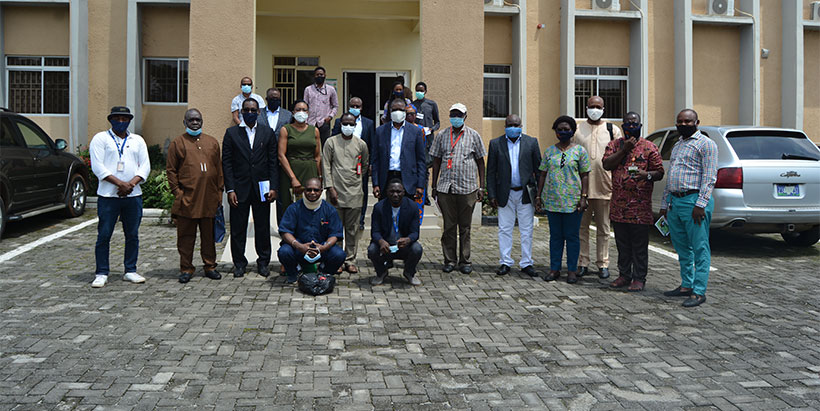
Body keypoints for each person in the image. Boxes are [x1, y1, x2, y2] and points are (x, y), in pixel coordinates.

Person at [660, 109, 717, 308]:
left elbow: (709, 177)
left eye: (688, 121)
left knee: (700, 247)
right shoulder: (678, 145)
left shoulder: (706, 144)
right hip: (675, 202)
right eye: (680, 121)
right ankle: (686, 285)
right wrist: (664, 204)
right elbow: (671, 176)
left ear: (697, 122)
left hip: (694, 202)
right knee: (682, 247)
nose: (683, 124)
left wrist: (700, 204)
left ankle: (699, 291)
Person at [89, 106, 151, 288]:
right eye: (117, 118)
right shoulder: (100, 138)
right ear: (111, 120)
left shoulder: (137, 140)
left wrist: (130, 184)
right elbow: (98, 167)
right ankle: (101, 272)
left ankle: (130, 270)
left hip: (133, 195)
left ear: (130, 121)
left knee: (132, 234)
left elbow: (145, 166)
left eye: (125, 119)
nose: (121, 122)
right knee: (104, 234)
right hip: (108, 196)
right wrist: (120, 184)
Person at [602, 111, 664, 292]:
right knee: (622, 245)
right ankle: (624, 275)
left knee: (639, 246)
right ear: (622, 126)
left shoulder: (649, 147)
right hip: (619, 206)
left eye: (634, 123)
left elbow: (659, 172)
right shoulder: (614, 145)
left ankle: (639, 278)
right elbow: (606, 164)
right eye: (627, 123)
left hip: (640, 207)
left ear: (640, 126)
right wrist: (624, 150)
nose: (631, 126)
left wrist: (647, 175)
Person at [222, 98, 279, 278]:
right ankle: (239, 264)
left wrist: (274, 187)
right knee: (238, 228)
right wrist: (230, 189)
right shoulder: (231, 133)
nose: (250, 113)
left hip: (262, 188)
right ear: (241, 112)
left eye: (253, 110)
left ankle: (263, 262)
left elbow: (273, 162)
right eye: (246, 110)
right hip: (239, 189)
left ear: (259, 112)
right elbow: (227, 163)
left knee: (262, 227)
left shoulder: (267, 132)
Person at [166, 109, 224, 283]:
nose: (195, 122)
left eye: (198, 119)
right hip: (187, 199)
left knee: (208, 236)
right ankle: (186, 268)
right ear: (184, 122)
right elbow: (171, 171)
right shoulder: (177, 143)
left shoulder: (212, 142)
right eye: (191, 120)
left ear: (202, 121)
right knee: (186, 237)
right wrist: (178, 193)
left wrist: (219, 192)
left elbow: (219, 169)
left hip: (209, 198)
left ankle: (210, 266)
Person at [430, 103, 486, 274]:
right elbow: (436, 161)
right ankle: (449, 260)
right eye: (453, 114)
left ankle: (465, 260)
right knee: (449, 226)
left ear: (465, 116)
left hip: (468, 188)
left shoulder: (474, 135)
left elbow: (480, 162)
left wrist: (481, 187)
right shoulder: (441, 135)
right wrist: (434, 185)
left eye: (459, 115)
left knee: (465, 227)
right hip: (446, 188)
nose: (456, 117)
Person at [536, 115, 590, 283]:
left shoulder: (580, 151)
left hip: (573, 202)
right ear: (555, 131)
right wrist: (538, 196)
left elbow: (585, 175)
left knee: (572, 237)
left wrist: (584, 197)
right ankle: (555, 269)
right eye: (560, 129)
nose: (563, 132)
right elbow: (542, 175)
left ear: (572, 131)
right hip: (552, 201)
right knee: (555, 237)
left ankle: (572, 270)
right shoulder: (549, 151)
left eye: (566, 129)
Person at [486, 114, 542, 277]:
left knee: (526, 230)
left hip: (525, 193)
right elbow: (491, 172)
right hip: (505, 193)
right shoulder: (496, 144)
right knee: (504, 229)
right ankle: (505, 262)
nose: (513, 128)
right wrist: (491, 194)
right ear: (505, 126)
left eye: (516, 125)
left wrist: (539, 195)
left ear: (521, 126)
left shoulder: (531, 143)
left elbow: (539, 170)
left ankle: (526, 262)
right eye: (510, 125)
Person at [573, 95, 622, 279]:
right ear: (586, 108)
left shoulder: (612, 130)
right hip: (581, 189)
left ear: (603, 109)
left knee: (604, 229)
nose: (594, 109)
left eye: (598, 107)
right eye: (591, 106)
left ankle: (603, 263)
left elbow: (619, 157)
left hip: (605, 187)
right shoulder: (577, 129)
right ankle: (582, 262)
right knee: (581, 229)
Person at [323, 113, 369, 274]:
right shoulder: (331, 142)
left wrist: (354, 180)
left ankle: (350, 260)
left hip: (354, 192)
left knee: (352, 229)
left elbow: (364, 166)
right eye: (345, 123)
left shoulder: (361, 144)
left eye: (351, 124)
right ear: (340, 124)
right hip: (335, 192)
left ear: (355, 125)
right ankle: (337, 260)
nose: (348, 126)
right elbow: (326, 165)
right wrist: (330, 187)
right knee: (335, 229)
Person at [278, 178, 346, 284]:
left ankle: (324, 272)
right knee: (284, 251)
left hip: (321, 248)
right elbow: (285, 232)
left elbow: (335, 234)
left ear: (321, 191)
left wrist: (324, 247)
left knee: (339, 254)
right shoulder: (294, 208)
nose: (312, 193)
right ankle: (293, 273)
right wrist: (299, 246)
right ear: (304, 190)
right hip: (299, 248)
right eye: (309, 190)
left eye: (316, 190)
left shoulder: (330, 210)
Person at [367, 179, 423, 286]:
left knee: (417, 249)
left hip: (404, 245)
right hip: (385, 246)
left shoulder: (412, 207)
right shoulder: (379, 207)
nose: (395, 194)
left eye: (398, 191)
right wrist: (381, 241)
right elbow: (375, 232)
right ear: (387, 192)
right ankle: (381, 272)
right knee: (372, 249)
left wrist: (408, 240)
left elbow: (415, 233)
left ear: (404, 192)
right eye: (392, 191)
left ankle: (409, 272)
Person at [332, 97, 375, 231]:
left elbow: (372, 144)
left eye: (358, 106)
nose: (355, 108)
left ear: (361, 108)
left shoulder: (368, 123)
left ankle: (360, 219)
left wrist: (370, 163)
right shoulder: (340, 121)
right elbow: (333, 140)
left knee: (362, 191)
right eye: (352, 106)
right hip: (342, 163)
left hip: (360, 163)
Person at [371, 98, 427, 202]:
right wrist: (375, 183)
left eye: (401, 110)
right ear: (390, 111)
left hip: (408, 180)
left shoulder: (415, 132)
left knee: (407, 210)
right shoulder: (380, 131)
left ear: (405, 112)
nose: (397, 112)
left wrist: (420, 185)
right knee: (385, 211)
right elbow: (375, 160)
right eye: (394, 109)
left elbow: (421, 161)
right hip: (386, 179)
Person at [278, 100, 322, 212]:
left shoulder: (314, 130)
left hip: (310, 170)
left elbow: (317, 156)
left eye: (304, 110)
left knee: (310, 205)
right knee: (289, 206)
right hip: (291, 170)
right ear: (293, 112)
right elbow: (281, 155)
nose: (301, 112)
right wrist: (293, 178)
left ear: (308, 113)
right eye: (298, 110)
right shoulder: (286, 129)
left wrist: (319, 176)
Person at [303, 66, 338, 147]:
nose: (319, 76)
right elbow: (305, 106)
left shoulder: (331, 89)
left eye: (321, 74)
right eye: (317, 74)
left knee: (324, 145)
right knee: (310, 145)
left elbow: (335, 106)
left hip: (324, 122)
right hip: (310, 123)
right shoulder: (308, 89)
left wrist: (330, 117)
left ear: (325, 75)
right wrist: (305, 121)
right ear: (314, 76)